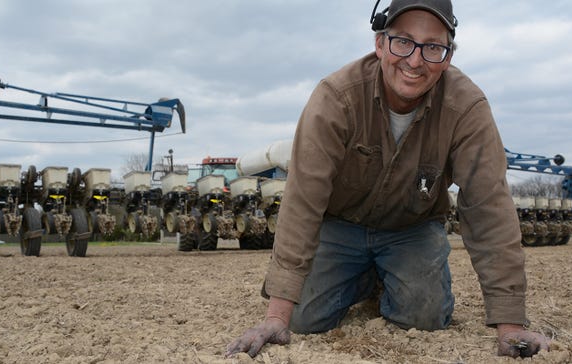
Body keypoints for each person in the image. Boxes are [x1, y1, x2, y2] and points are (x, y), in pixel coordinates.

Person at [226, 0, 550, 359]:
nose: (415, 60)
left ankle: (389, 275)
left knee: (425, 316)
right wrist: (276, 316)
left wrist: (511, 326)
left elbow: (488, 206)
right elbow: (303, 201)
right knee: (303, 318)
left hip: (412, 229)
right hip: (340, 225)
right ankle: (367, 278)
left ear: (447, 57)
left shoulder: (467, 108)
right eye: (403, 42)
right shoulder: (335, 98)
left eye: (432, 47)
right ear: (380, 44)